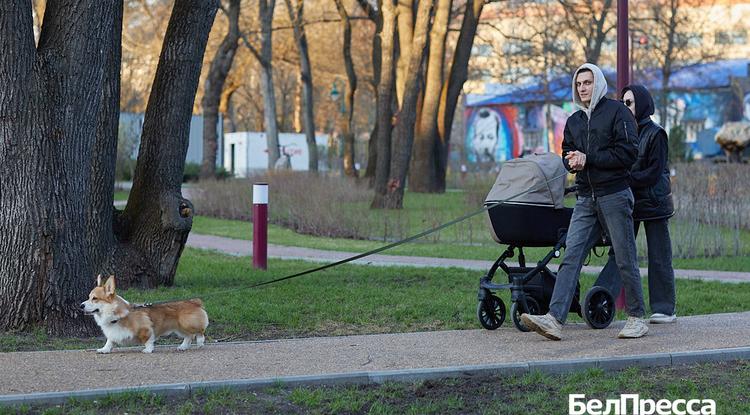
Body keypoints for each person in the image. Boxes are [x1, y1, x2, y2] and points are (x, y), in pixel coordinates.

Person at [520, 63, 648, 340]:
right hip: (585, 198)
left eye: (587, 83)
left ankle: (637, 318)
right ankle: (554, 319)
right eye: (578, 84)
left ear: (598, 83)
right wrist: (572, 161)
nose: (582, 88)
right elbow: (567, 153)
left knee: (624, 257)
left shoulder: (618, 112)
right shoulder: (574, 121)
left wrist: (589, 159)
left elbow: (628, 153)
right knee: (571, 257)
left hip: (614, 195)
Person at [605, 85, 676, 324]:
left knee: (659, 256)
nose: (625, 107)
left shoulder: (657, 134)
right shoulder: (623, 132)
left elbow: (654, 172)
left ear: (642, 104)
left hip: (654, 203)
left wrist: (625, 180)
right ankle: (600, 303)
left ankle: (665, 309)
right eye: (623, 103)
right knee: (619, 253)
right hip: (630, 201)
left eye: (629, 102)